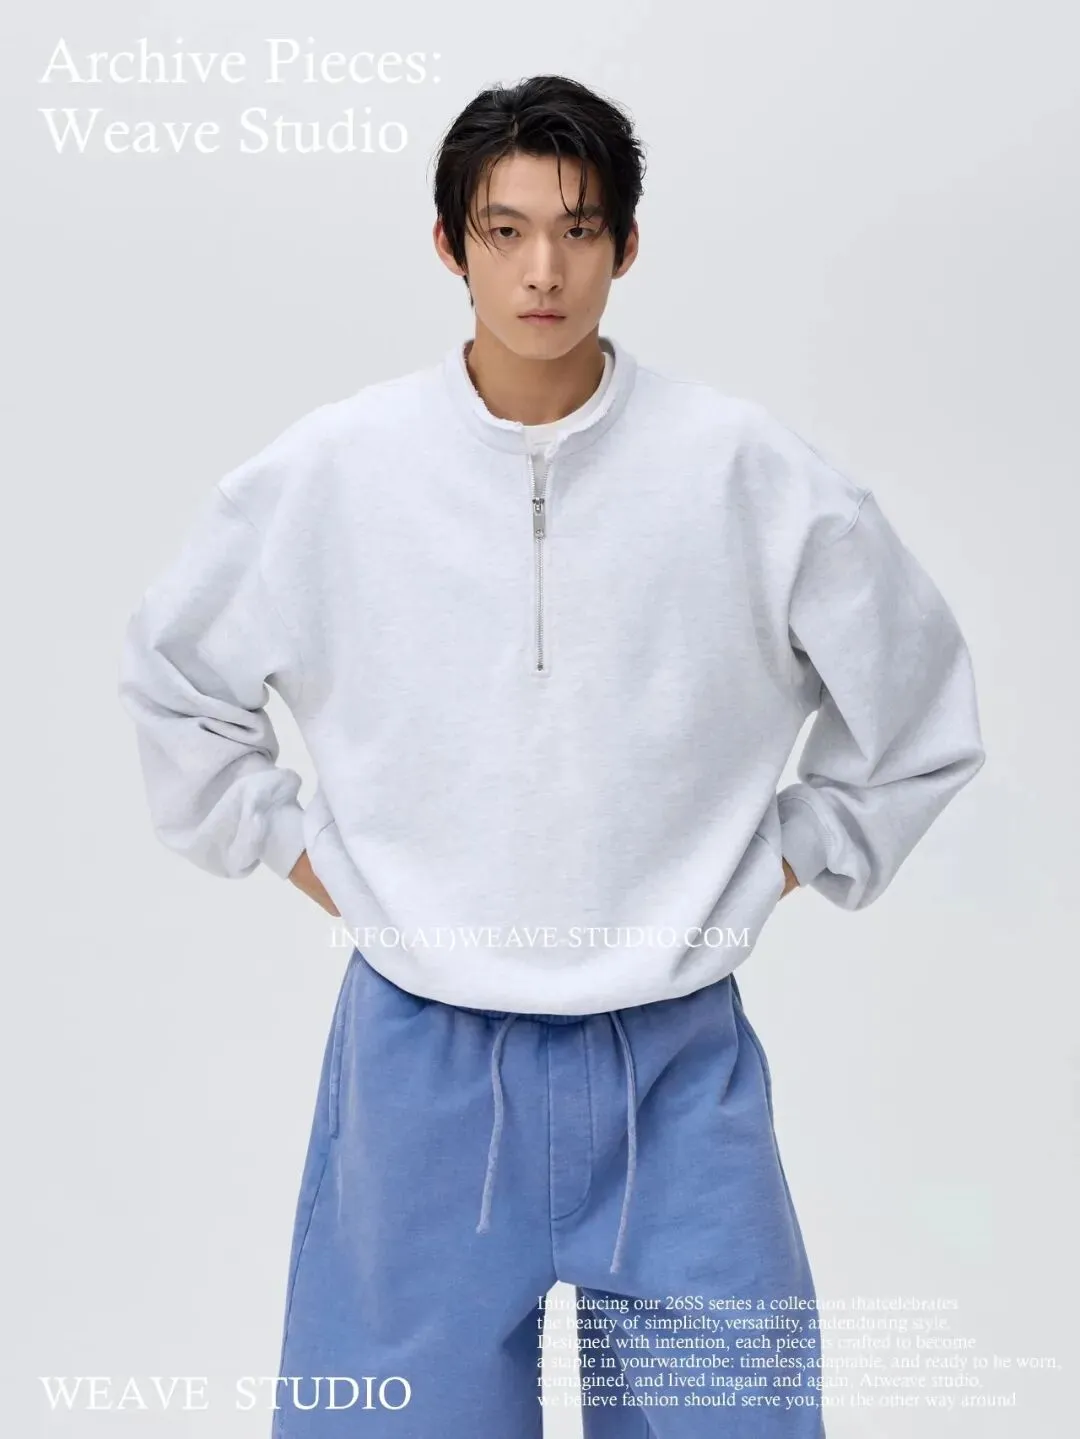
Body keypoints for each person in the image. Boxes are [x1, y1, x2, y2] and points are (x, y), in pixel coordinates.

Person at [118, 74, 985, 1438]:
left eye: (579, 232)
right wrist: (325, 866)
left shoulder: (746, 472)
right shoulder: (335, 472)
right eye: (506, 230)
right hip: (422, 1058)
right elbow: (176, 687)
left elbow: (920, 712)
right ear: (449, 245)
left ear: (626, 247)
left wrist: (769, 867)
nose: (543, 271)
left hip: (676, 1059)